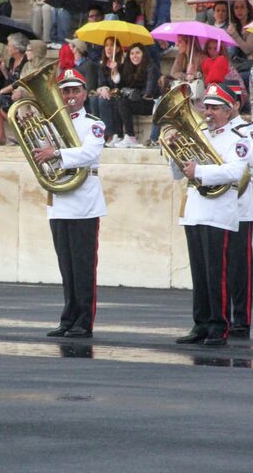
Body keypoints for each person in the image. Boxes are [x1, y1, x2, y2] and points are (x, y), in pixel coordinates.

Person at [169, 83, 251, 347]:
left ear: (228, 111)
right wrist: (174, 152)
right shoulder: (198, 133)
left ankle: (219, 325)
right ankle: (201, 323)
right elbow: (177, 173)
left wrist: (201, 172)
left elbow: (235, 172)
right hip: (195, 210)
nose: (209, 112)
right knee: (200, 272)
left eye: (215, 108)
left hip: (218, 211)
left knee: (218, 272)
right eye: (207, 107)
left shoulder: (237, 138)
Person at [32, 69, 106, 339]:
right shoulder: (49, 124)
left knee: (83, 265)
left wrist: (57, 152)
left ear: (85, 94)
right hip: (60, 201)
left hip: (84, 201)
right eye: (66, 91)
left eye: (75, 91)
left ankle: (83, 321)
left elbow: (89, 153)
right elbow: (39, 153)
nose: (71, 96)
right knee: (66, 265)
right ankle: (68, 317)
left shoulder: (94, 124)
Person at [226, 92, 253, 338]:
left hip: (239, 207)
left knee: (239, 265)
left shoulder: (248, 129)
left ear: (236, 105)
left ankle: (241, 318)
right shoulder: (209, 130)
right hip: (212, 207)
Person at [0, 32, 29, 146]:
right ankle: (1, 136)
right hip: (11, 94)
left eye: (9, 45)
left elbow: (18, 83)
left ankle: (21, 133)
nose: (7, 47)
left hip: (21, 94)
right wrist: (3, 70)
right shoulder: (12, 61)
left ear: (16, 48)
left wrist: (1, 91)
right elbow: (10, 79)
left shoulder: (25, 61)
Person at [116, 43, 160, 148]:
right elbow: (121, 86)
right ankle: (118, 135)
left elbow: (149, 92)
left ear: (143, 54)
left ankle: (130, 136)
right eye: (131, 53)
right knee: (118, 100)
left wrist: (135, 94)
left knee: (123, 102)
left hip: (152, 103)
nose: (134, 56)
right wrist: (115, 70)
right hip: (139, 101)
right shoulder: (129, 68)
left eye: (137, 53)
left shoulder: (151, 67)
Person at [96, 36, 124, 146]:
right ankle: (99, 133)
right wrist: (103, 88)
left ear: (117, 49)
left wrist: (115, 70)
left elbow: (119, 84)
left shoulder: (122, 63)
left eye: (112, 45)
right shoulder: (103, 64)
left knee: (103, 101)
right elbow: (101, 82)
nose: (109, 48)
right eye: (106, 45)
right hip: (108, 94)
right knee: (94, 100)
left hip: (119, 94)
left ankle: (110, 134)